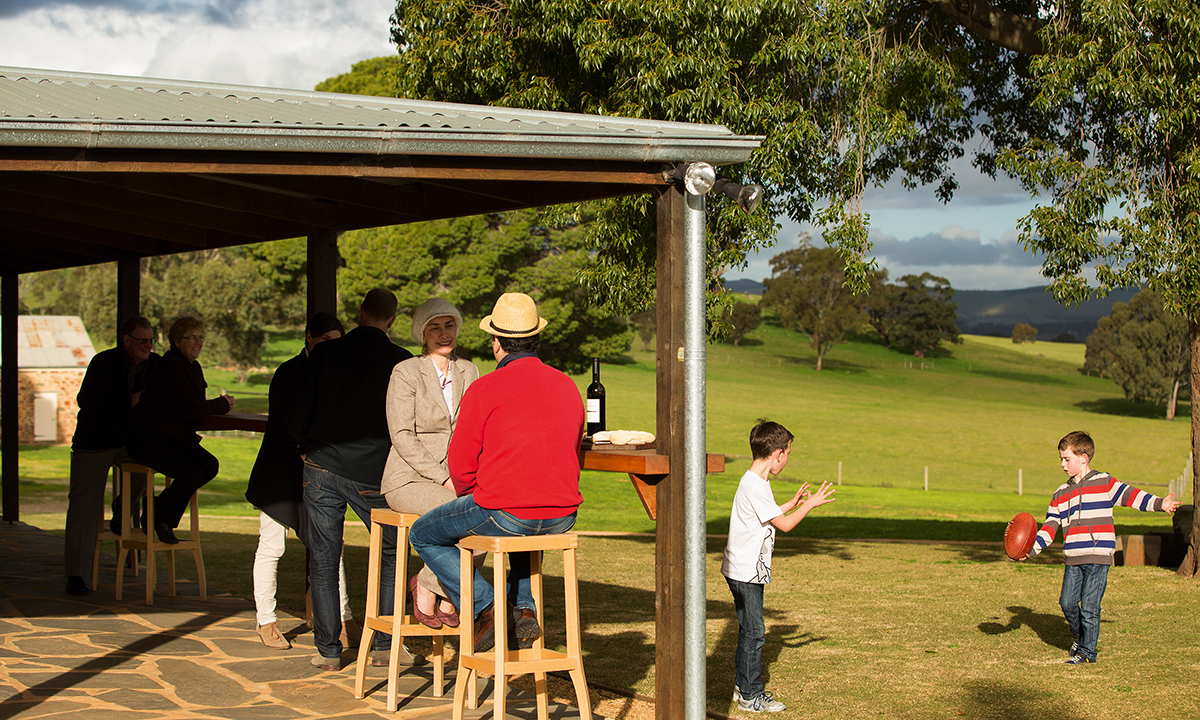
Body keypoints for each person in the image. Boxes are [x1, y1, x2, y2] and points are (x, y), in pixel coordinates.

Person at [409, 292, 584, 654]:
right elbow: (572, 449)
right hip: (563, 515)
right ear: (536, 338)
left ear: (497, 344)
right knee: (519, 521)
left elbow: (460, 462)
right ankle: (523, 607)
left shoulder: (484, 387)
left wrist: (475, 494)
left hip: (504, 510)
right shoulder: (567, 385)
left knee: (423, 533)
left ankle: (486, 605)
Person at [287, 289, 413, 671]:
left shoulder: (325, 353)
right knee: (391, 555)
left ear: (360, 313)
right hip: (373, 472)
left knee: (324, 559)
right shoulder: (400, 361)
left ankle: (327, 651)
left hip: (322, 465)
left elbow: (300, 405)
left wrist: (302, 447)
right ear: (391, 320)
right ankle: (383, 645)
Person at [245, 312, 360, 650]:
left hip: (320, 472)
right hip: (280, 473)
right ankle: (266, 620)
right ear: (310, 338)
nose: (331, 349)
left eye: (337, 343)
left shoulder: (338, 374)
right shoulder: (288, 373)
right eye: (326, 341)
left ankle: (343, 616)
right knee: (272, 545)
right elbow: (292, 422)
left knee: (330, 548)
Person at [1022, 430, 1181, 664]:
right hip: (1073, 557)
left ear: (1084, 458)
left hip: (1099, 556)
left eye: (1067, 459)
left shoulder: (1105, 482)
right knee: (1067, 603)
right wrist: (1031, 550)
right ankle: (1079, 637)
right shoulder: (1060, 493)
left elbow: (1132, 497)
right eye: (1061, 459)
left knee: (1089, 606)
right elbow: (1049, 527)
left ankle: (1087, 654)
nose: (1063, 464)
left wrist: (1160, 503)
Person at [721, 419, 835, 713]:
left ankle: (742, 686)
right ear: (778, 454)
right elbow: (783, 526)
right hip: (746, 571)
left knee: (749, 628)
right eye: (788, 453)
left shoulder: (754, 480)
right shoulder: (756, 486)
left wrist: (792, 502)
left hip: (742, 568)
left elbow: (769, 515)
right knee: (755, 631)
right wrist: (810, 505)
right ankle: (750, 695)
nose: (787, 458)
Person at [382, 298, 480, 629]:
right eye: (434, 327)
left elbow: (472, 430)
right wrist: (442, 478)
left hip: (458, 478)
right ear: (422, 335)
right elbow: (401, 435)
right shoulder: (406, 371)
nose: (443, 334)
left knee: (489, 512)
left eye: (449, 325)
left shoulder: (470, 370)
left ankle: (429, 583)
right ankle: (447, 591)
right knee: (470, 515)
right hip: (407, 479)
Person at [63, 316, 160, 596]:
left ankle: (124, 509)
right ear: (126, 341)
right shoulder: (103, 362)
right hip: (95, 442)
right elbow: (88, 401)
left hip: (129, 442)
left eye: (151, 340)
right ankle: (76, 575)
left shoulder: (156, 366)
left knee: (151, 460)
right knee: (84, 505)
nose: (147, 346)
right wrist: (128, 402)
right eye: (142, 341)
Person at [126, 316, 234, 545]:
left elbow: (195, 406)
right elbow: (192, 409)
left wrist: (211, 407)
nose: (198, 342)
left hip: (172, 438)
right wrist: (223, 404)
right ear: (176, 341)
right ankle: (160, 518)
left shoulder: (192, 367)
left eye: (200, 337)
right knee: (192, 471)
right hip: (149, 440)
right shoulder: (172, 366)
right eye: (191, 338)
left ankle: (156, 512)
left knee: (209, 465)